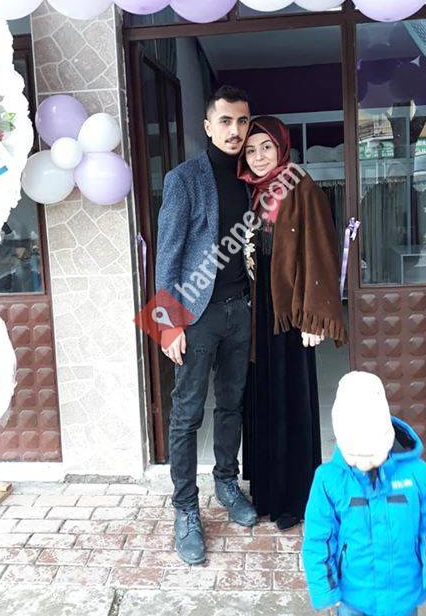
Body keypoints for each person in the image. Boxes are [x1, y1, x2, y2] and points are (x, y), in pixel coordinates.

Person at [155, 85, 257, 566]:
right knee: (187, 414)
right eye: (226, 121)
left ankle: (226, 484)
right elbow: (167, 256)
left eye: (242, 121)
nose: (235, 130)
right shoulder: (184, 179)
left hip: (240, 310)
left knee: (232, 404)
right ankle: (185, 509)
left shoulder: (250, 177)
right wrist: (166, 325)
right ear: (208, 125)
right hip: (196, 317)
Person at [237, 116, 346, 530]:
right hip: (259, 314)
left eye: (266, 147)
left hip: (292, 312)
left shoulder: (302, 188)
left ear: (282, 148)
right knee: (263, 399)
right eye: (251, 150)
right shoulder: (251, 193)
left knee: (292, 400)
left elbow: (321, 249)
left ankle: (296, 500)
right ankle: (266, 495)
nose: (259, 157)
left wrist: (314, 315)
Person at [303, 371, 426, 616]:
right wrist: (324, 590)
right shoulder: (328, 479)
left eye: (371, 453)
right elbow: (319, 538)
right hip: (353, 596)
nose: (364, 463)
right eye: (356, 455)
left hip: (403, 595)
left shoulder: (417, 474)